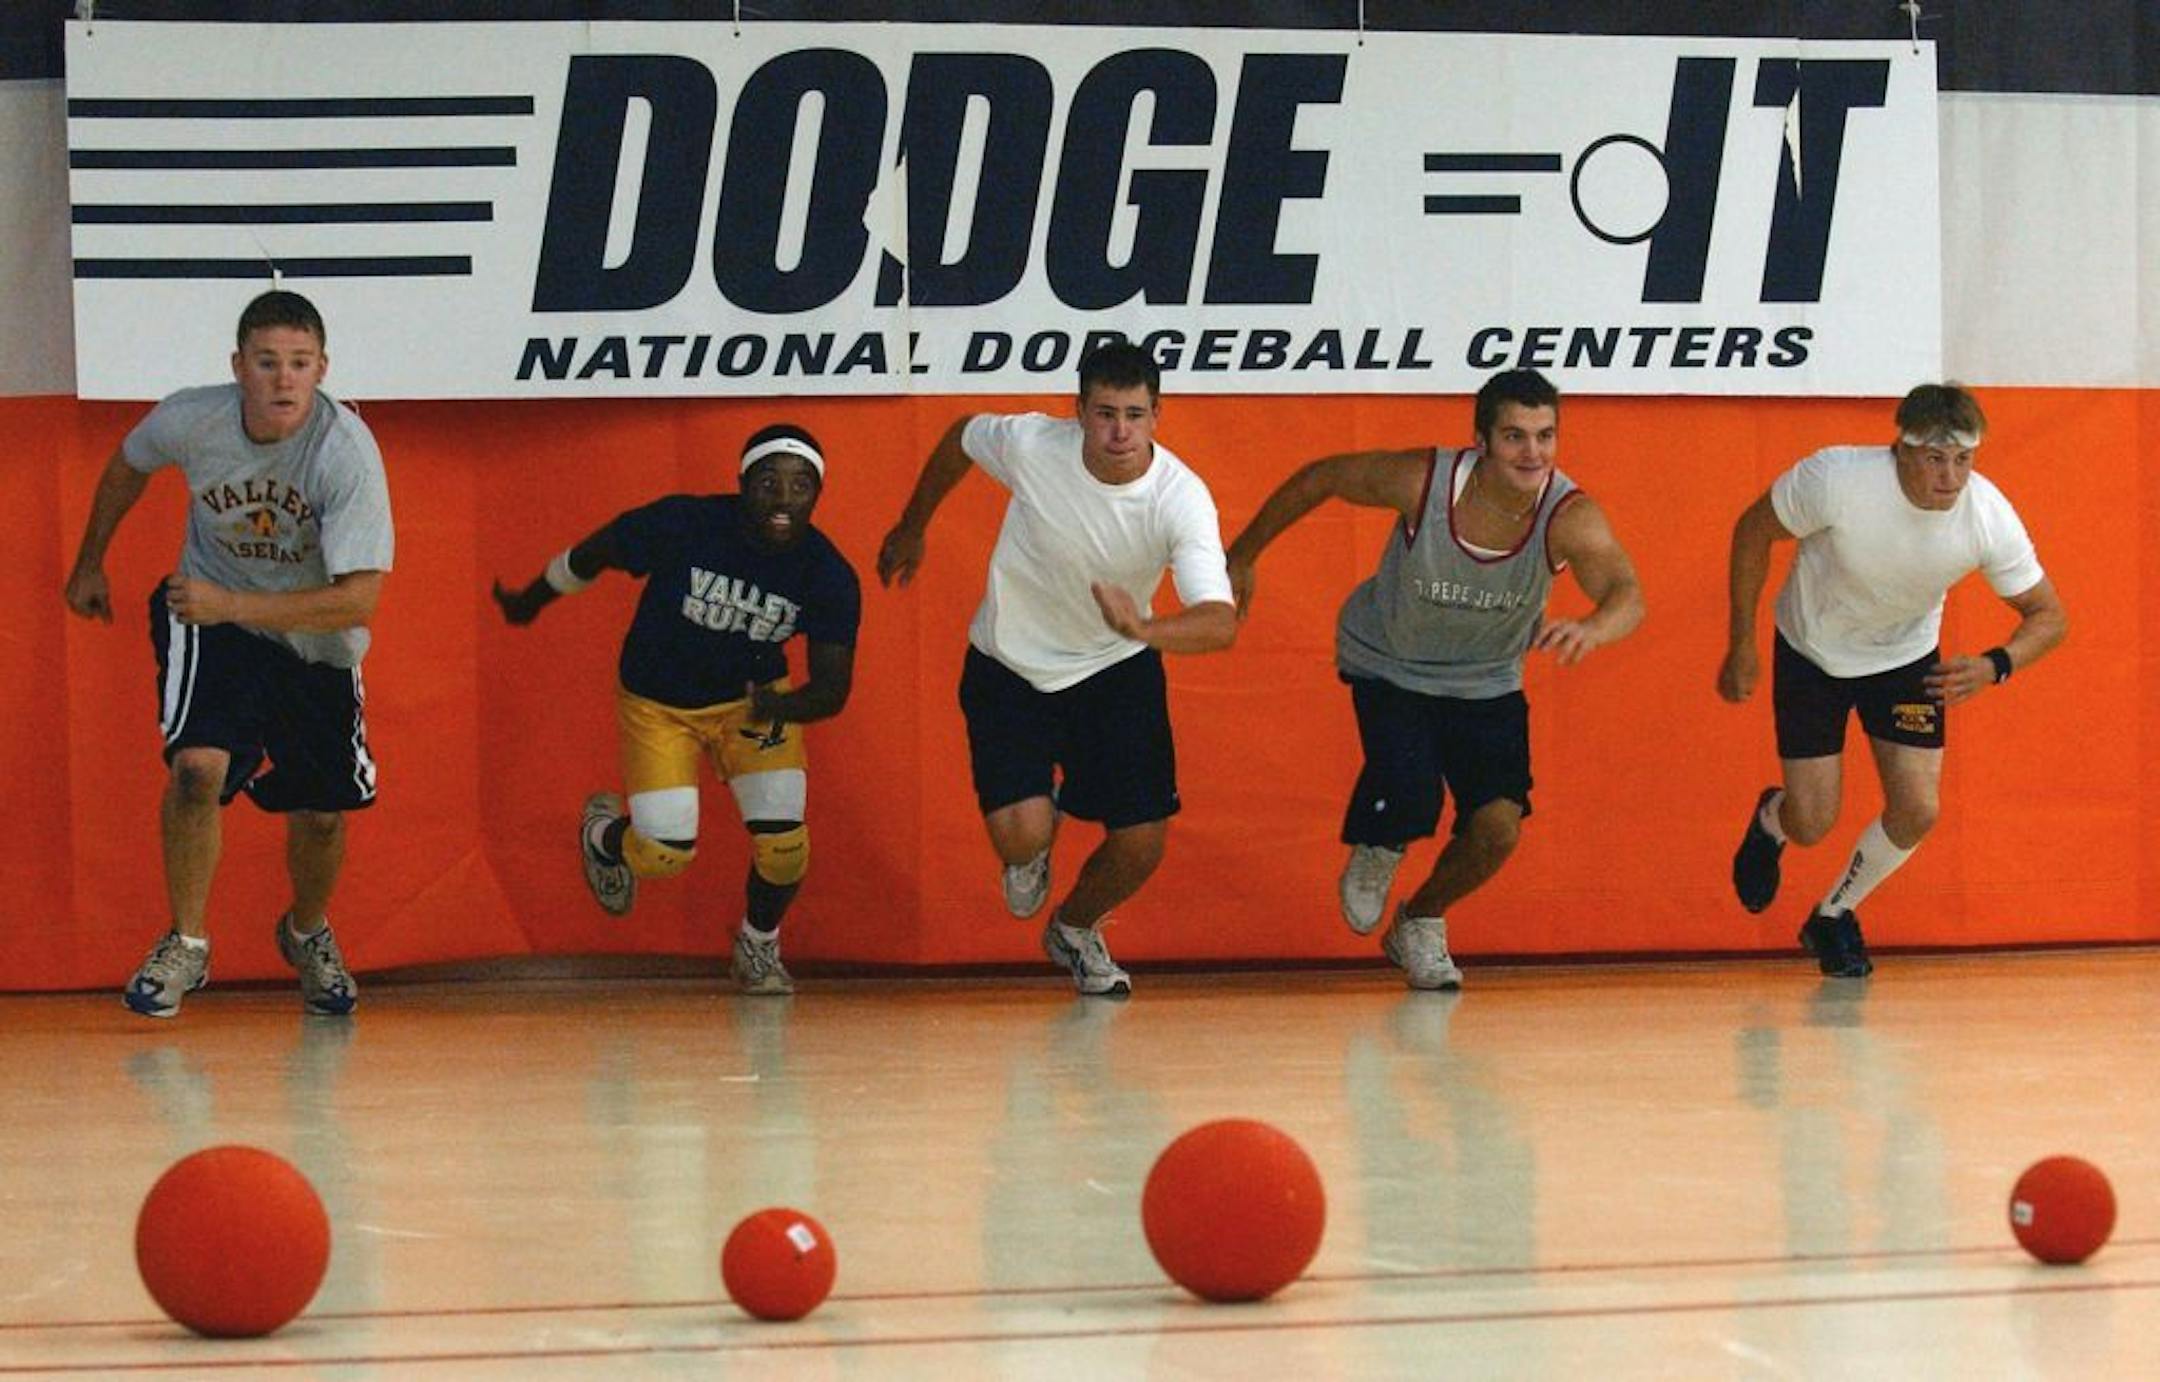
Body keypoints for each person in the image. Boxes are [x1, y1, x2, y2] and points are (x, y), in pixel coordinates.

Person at [1224, 368, 1643, 989]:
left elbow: (1627, 592)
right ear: (1481, 441)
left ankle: (1419, 919)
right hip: (1388, 662)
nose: (1532, 452)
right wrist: (1243, 553)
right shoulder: (1424, 482)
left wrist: (1594, 627)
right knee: (1413, 792)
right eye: (1515, 436)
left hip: (1486, 680)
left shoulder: (1568, 515)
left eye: (1545, 436)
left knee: (1498, 830)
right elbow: (1323, 477)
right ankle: (1380, 844)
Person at [63, 289, 394, 1019]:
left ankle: (306, 932)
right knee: (196, 770)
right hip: (210, 620)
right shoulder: (193, 418)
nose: (283, 379)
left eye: (299, 363)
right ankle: (187, 942)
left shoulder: (346, 454)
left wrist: (234, 604)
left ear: (323, 369)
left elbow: (357, 601)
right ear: (238, 366)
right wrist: (91, 561)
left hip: (311, 638)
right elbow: (128, 464)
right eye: (267, 362)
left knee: (321, 815)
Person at [876, 341, 1236, 998]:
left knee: (1142, 842)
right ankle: (1036, 840)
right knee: (1020, 838)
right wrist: (911, 525)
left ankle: (1074, 928)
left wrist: (1144, 630)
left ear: (1156, 414)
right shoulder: (1033, 445)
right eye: (1105, 413)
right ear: (1078, 411)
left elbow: (1219, 620)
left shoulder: (1181, 498)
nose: (1119, 431)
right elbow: (961, 439)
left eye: (1134, 414)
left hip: (1116, 667)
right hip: (1009, 663)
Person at [492, 424, 860, 996]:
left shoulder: (828, 574)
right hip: (659, 703)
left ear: (819, 493)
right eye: (769, 482)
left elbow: (832, 690)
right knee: (662, 854)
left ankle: (758, 945)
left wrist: (777, 705)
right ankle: (603, 836)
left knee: (786, 848)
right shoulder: (686, 524)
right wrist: (532, 598)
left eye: (801, 486)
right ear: (742, 483)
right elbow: (595, 552)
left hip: (754, 705)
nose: (784, 499)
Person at [1719, 383, 2066, 977]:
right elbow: (1752, 531)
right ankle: (1773, 820)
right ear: (1900, 449)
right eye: (1935, 458)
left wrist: (1995, 664)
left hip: (1906, 658)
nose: (1951, 477)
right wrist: (1742, 643)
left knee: (1918, 809)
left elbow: (2049, 616)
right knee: (1812, 823)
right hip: (1812, 651)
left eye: (1963, 460)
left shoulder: (1987, 515)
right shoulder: (1836, 479)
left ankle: (1833, 913)